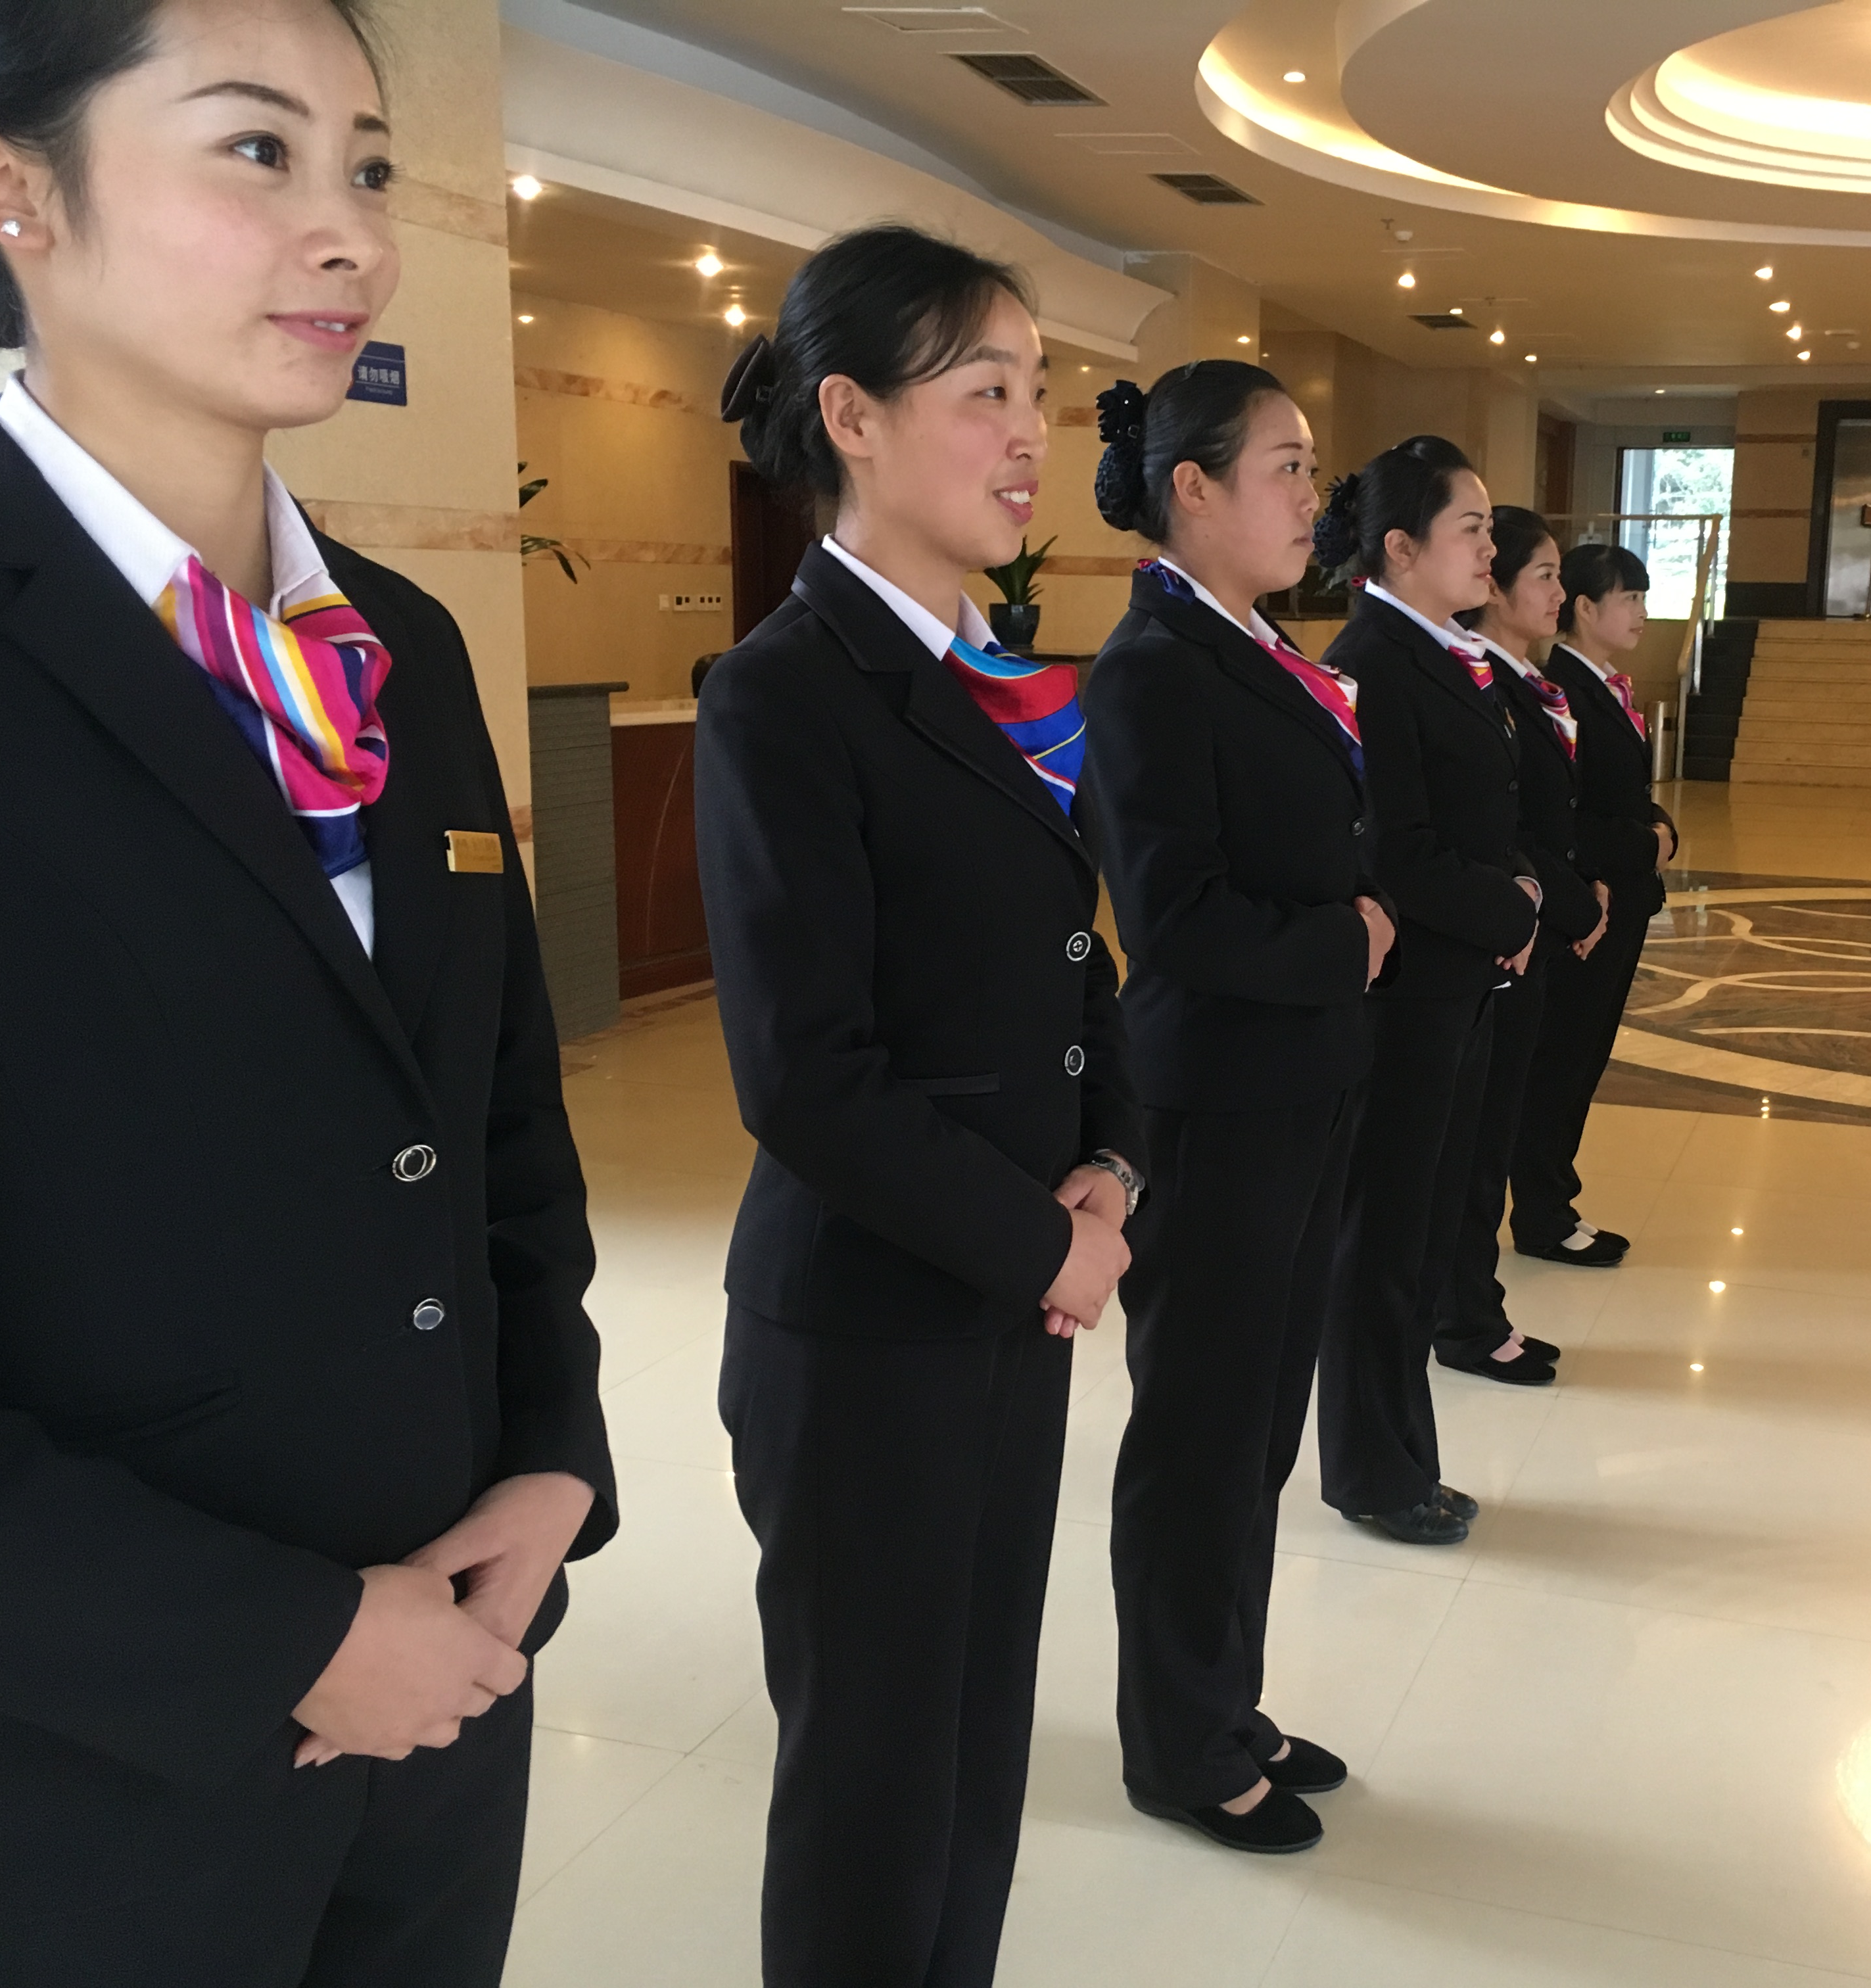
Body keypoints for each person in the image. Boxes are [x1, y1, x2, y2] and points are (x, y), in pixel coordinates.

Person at [0, 1, 617, 1979]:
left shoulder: (392, 642)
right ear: (10, 190)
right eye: (258, 150)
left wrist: (552, 1453)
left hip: (448, 1692)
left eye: (371, 165)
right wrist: (282, 1641)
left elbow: (492, 1115)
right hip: (76, 1775)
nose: (354, 234)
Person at [696, 224, 1144, 1988]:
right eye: (984, 392)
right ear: (854, 417)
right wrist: (1044, 1241)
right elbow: (804, 1076)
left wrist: (1111, 1164)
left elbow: (1075, 952)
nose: (1031, 434)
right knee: (875, 1798)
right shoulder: (786, 693)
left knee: (972, 1760)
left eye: (1039, 392)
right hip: (867, 1334)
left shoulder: (1002, 677)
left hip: (1010, 1303)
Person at [1085, 362, 1394, 1855]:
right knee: (1204, 1433)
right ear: (1193, 489)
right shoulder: (1151, 667)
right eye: (1286, 466)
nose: (1312, 497)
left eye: (1313, 467)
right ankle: (1179, 1745)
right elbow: (1174, 915)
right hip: (1215, 1100)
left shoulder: (1257, 646)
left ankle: (1225, 1700)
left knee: (1260, 1424)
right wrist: (1348, 942)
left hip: (1300, 1085)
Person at [1313, 437, 1538, 1548]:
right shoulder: (1373, 661)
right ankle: (1371, 1468)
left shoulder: (1441, 651)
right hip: (1404, 998)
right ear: (1400, 549)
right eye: (1472, 529)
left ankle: (1407, 1455)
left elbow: (1478, 817)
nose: (1490, 550)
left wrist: (1518, 889)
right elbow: (1394, 850)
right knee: (1381, 1241)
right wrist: (1513, 912)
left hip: (1458, 984)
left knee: (1420, 1229)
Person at [1433, 507, 1603, 1384]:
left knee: (1491, 1137)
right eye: (1543, 574)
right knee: (1470, 1149)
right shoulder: (1473, 679)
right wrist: (1557, 903)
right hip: (1496, 936)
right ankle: (1464, 1316)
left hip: (1522, 927)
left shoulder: (1523, 682)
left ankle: (1472, 1306)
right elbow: (1497, 829)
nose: (1559, 592)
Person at [1509, 540, 1678, 1267]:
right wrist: (1645, 844)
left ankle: (1551, 1199)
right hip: (1590, 906)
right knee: (1563, 1059)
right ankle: (1544, 1209)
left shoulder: (1603, 685)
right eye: (1629, 598)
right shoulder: (1565, 689)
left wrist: (1658, 828)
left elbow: (1623, 793)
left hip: (1622, 897)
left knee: (1582, 1057)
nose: (1641, 613)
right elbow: (1566, 816)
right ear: (1586, 607)